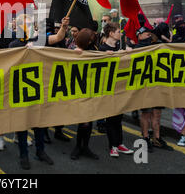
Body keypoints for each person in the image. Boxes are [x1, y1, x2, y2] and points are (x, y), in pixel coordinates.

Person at [8, 13, 69, 170]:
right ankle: (23, 155)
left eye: (30, 23)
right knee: (22, 125)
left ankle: (40, 152)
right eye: (24, 23)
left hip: (39, 89)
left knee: (40, 123)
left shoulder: (39, 39)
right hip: (21, 90)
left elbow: (58, 38)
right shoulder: (13, 45)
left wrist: (64, 26)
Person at [135, 26, 173, 152]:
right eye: (145, 34)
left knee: (157, 113)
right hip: (144, 88)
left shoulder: (157, 46)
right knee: (146, 114)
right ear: (139, 36)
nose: (148, 36)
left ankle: (157, 139)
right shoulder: (136, 50)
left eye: (149, 34)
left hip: (157, 87)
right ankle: (145, 138)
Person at [99, 23, 134, 158]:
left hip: (120, 88)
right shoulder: (102, 49)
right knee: (111, 118)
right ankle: (112, 146)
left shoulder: (121, 47)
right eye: (119, 31)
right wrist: (110, 55)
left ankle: (119, 144)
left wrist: (130, 51)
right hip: (108, 89)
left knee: (119, 118)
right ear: (111, 33)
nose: (121, 34)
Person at [70, 28, 100, 161]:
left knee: (89, 120)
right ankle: (78, 147)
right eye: (90, 39)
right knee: (83, 121)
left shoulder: (94, 49)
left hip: (91, 89)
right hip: (79, 90)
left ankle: (85, 147)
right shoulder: (75, 51)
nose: (92, 41)